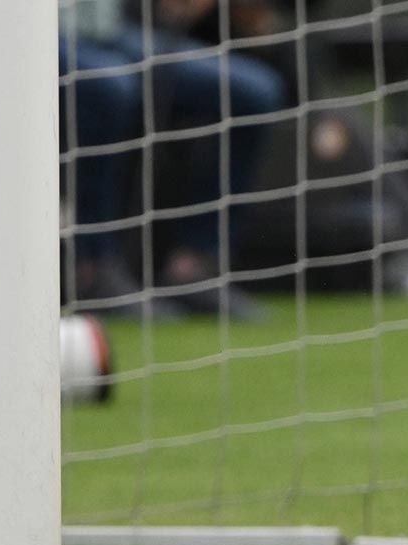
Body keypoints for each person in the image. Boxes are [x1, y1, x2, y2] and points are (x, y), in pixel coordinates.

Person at [59, 0, 285, 319]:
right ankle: (92, 267)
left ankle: (194, 266)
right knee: (111, 87)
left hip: (108, 34)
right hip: (21, 40)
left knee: (253, 92)